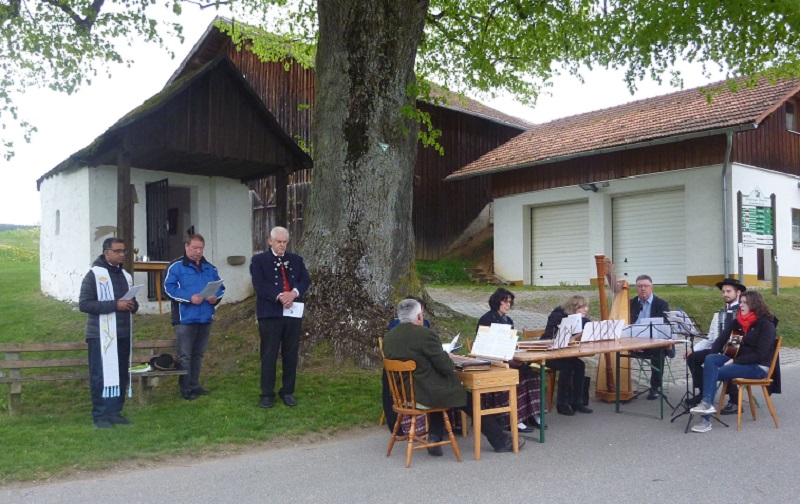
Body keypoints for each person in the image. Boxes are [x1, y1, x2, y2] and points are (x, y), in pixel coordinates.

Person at [383, 299, 521, 454]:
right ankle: (500, 441)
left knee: (440, 391)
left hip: (402, 395)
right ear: (419, 316)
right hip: (423, 394)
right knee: (468, 399)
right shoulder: (425, 334)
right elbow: (446, 367)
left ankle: (434, 437)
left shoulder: (389, 337)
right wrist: (447, 356)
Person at [690, 290, 779, 433]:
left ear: (755, 304)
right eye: (741, 302)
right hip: (738, 360)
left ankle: (705, 420)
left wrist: (734, 361)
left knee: (717, 372)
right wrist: (711, 359)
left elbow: (760, 354)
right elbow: (724, 343)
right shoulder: (739, 322)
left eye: (745, 303)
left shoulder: (766, 324)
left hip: (758, 367)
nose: (741, 305)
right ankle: (706, 404)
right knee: (711, 359)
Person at [78, 237, 138, 428]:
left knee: (120, 374)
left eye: (123, 251)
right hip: (100, 335)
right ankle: (100, 415)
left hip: (122, 332)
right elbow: (84, 304)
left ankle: (115, 412)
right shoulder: (94, 275)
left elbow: (130, 303)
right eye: (118, 251)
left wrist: (131, 305)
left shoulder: (125, 276)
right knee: (100, 375)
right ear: (107, 253)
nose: (122, 254)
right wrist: (116, 305)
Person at [250, 226, 311, 409]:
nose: (282, 245)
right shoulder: (259, 260)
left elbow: (305, 280)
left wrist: (293, 293)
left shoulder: (296, 260)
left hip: (292, 313)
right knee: (269, 354)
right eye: (279, 242)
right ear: (270, 241)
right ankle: (267, 394)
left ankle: (287, 391)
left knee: (291, 353)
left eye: (285, 242)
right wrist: (279, 296)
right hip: (270, 312)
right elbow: (259, 284)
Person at [164, 234, 225, 401]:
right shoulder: (176, 266)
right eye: (194, 248)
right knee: (185, 355)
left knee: (198, 354)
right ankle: (185, 388)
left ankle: (195, 384)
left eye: (201, 248)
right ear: (186, 246)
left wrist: (215, 298)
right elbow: (168, 289)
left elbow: (220, 287)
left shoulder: (210, 268)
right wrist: (189, 297)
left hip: (205, 316)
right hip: (185, 318)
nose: (198, 252)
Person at [476, 288, 544, 432]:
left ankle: (533, 414)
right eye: (505, 301)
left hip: (506, 358)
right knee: (516, 377)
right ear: (497, 302)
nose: (508, 305)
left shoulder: (509, 320)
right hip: (492, 361)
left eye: (510, 302)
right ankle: (514, 419)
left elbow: (509, 343)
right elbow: (484, 346)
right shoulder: (486, 319)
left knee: (532, 375)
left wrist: (514, 355)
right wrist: (507, 360)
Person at [685, 278, 745, 413]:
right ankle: (703, 393)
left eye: (729, 291)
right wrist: (693, 349)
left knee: (725, 360)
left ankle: (735, 401)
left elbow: (741, 336)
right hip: (719, 349)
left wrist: (726, 353)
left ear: (738, 292)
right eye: (723, 292)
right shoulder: (719, 314)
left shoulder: (743, 311)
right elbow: (711, 338)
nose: (725, 294)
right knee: (693, 358)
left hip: (739, 351)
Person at [383, 296, 429, 432]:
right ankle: (434, 433)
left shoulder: (390, 336)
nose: (422, 316)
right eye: (420, 313)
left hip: (402, 376)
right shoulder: (396, 328)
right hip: (411, 381)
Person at [541, 295, 593, 415]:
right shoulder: (558, 315)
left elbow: (588, 331)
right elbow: (549, 336)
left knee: (580, 365)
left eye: (587, 306)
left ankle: (577, 401)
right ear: (573, 307)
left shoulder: (582, 319)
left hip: (566, 353)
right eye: (582, 307)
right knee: (567, 366)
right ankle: (562, 404)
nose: (586, 309)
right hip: (550, 353)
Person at [629, 274, 671, 400]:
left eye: (646, 286)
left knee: (660, 352)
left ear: (651, 288)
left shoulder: (662, 304)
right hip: (632, 344)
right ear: (636, 288)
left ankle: (655, 387)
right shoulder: (630, 304)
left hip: (654, 344)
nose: (643, 289)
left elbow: (664, 328)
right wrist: (633, 344)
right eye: (640, 286)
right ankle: (622, 387)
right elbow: (625, 326)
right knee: (613, 352)